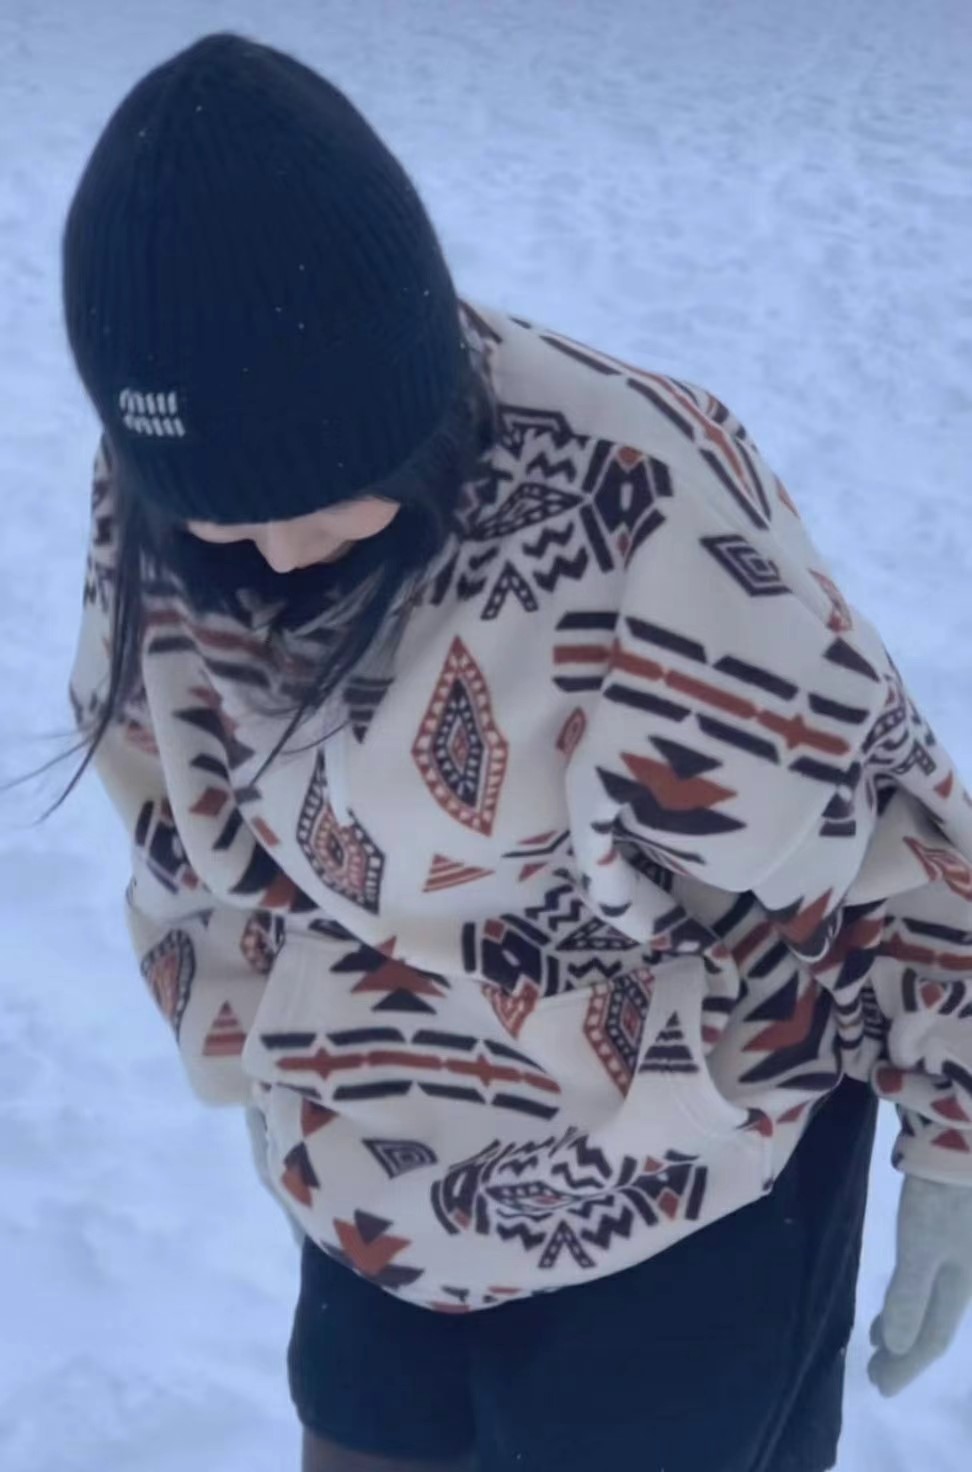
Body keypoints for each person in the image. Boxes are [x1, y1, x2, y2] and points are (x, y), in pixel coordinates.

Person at [58, 32, 972, 1472]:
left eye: (326, 495)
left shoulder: (636, 507)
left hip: (686, 1178)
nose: (278, 551)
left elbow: (877, 837)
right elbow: (169, 807)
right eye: (227, 516)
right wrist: (250, 1036)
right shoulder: (164, 501)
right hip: (372, 1171)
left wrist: (957, 1131)